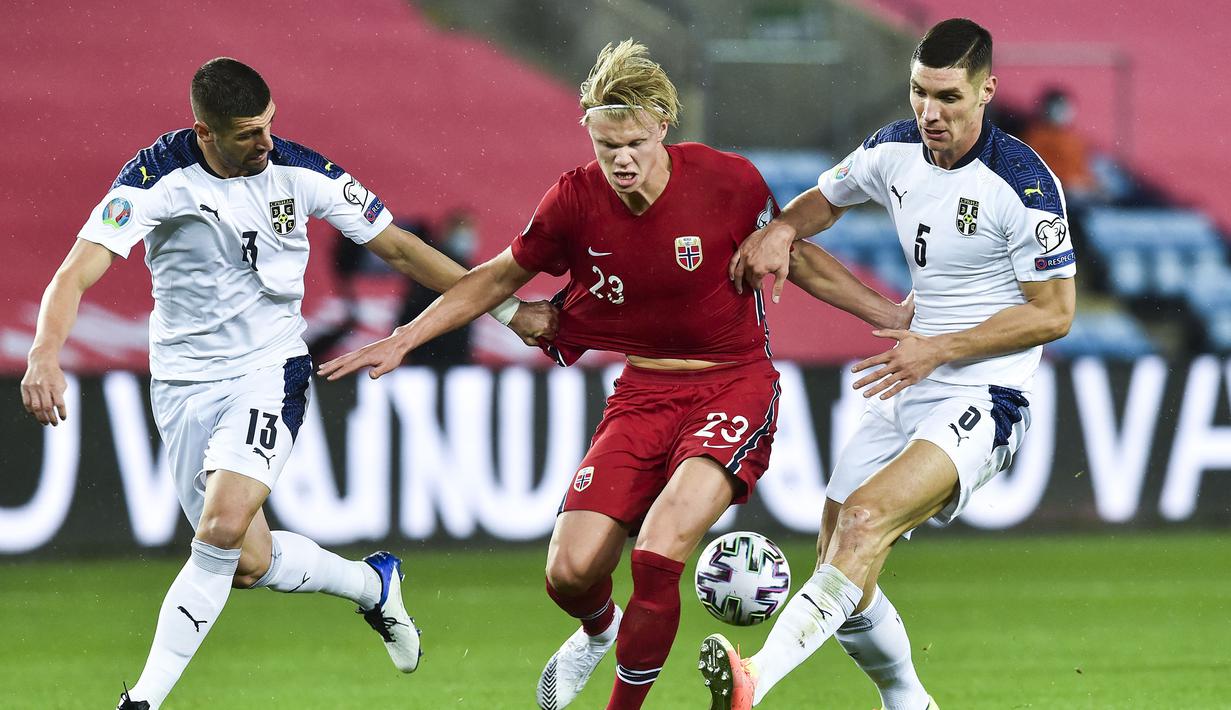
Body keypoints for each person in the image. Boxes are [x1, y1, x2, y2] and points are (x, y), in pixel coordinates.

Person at [318, 40, 909, 710]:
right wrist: (408, 334)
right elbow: (495, 280)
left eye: (632, 142)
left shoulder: (728, 181)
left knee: (656, 556)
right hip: (640, 395)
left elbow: (792, 256)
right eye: (605, 146)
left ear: (661, 124)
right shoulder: (573, 202)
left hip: (732, 386)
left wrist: (888, 315)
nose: (620, 160)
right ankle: (601, 630)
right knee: (568, 575)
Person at [18, 57, 555, 710]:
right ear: (204, 132)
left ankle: (142, 701)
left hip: (268, 371)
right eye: (248, 133)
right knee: (245, 562)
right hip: (182, 387)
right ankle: (371, 586)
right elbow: (76, 272)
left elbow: (404, 250)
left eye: (270, 125)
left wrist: (504, 309)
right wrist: (46, 351)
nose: (266, 142)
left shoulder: (303, 171)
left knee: (218, 527)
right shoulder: (155, 180)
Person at [697, 18, 1076, 710]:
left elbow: (1053, 314)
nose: (929, 113)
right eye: (917, 93)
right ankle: (909, 701)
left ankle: (755, 678)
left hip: (985, 394)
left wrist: (937, 345)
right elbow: (825, 197)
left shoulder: (1021, 185)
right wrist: (783, 228)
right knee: (840, 555)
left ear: (986, 90)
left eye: (948, 98)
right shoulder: (893, 147)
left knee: (867, 521)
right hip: (908, 377)